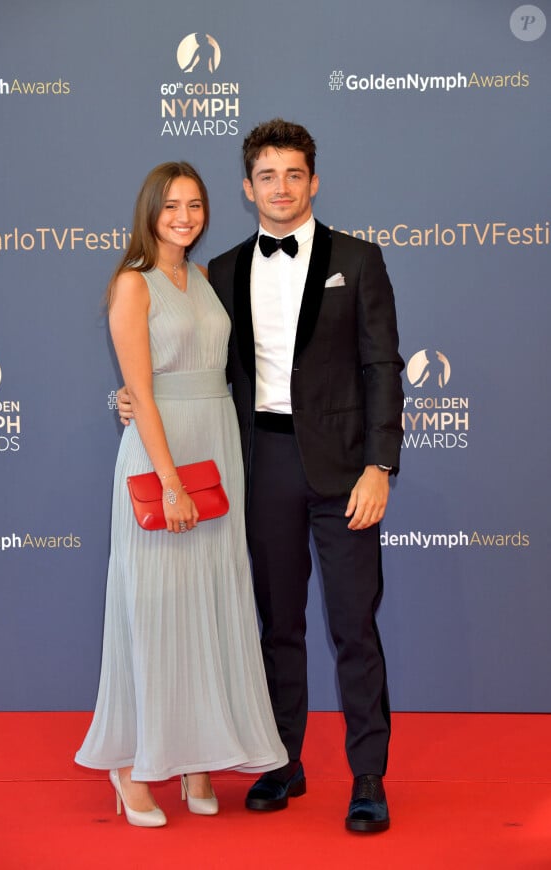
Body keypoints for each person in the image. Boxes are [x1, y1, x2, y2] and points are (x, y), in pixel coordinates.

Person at [119, 120, 404, 832]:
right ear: (248, 190)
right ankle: (283, 762)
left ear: (313, 181)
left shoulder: (361, 260)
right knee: (277, 627)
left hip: (346, 471)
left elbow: (382, 369)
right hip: (259, 465)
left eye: (294, 175)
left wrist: (380, 464)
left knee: (353, 628)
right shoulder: (220, 272)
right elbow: (181, 359)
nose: (281, 188)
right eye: (267, 177)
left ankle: (368, 777)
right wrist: (128, 396)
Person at [75, 161, 287, 828]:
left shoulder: (202, 277)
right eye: (171, 205)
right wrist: (169, 482)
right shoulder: (131, 285)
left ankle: (196, 759)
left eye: (195, 204)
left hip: (216, 447)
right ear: (149, 211)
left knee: (208, 606)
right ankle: (134, 767)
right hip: (162, 462)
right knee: (157, 609)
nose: (184, 216)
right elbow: (139, 390)